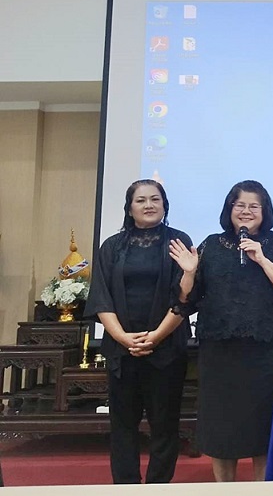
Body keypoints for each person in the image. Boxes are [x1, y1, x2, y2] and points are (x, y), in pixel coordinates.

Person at [171, 179, 273, 482]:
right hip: (219, 353)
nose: (246, 211)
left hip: (264, 352)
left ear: (264, 211)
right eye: (240, 205)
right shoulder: (211, 245)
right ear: (229, 209)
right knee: (221, 430)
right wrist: (189, 273)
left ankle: (262, 489)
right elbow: (185, 300)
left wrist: (262, 259)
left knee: (262, 429)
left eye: (254, 206)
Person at [84, 179, 195, 484]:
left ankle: (158, 486)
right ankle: (126, 487)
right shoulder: (112, 246)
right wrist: (122, 337)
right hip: (123, 350)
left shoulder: (178, 242)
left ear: (165, 205)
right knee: (123, 426)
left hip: (167, 348)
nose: (149, 205)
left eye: (155, 199)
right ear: (129, 207)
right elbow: (101, 296)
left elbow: (184, 297)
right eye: (141, 200)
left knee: (165, 425)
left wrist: (156, 336)